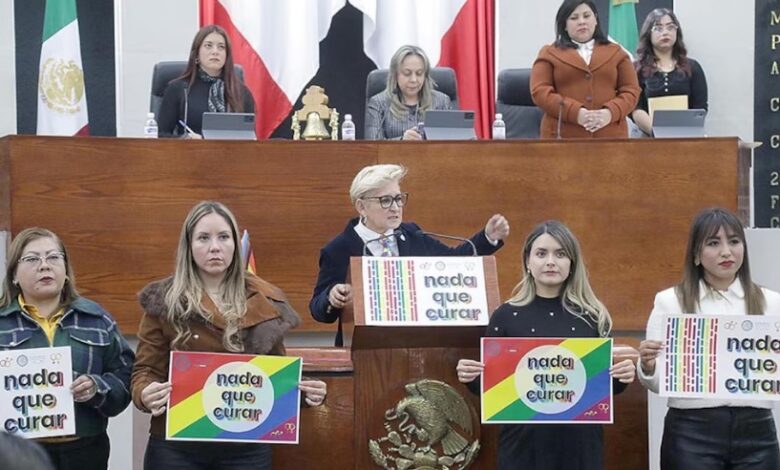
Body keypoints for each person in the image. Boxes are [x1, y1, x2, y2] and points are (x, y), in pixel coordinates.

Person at [131, 201, 327, 470]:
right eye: (203, 238)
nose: (215, 247)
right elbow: (145, 371)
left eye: (223, 237)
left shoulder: (266, 301)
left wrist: (305, 392)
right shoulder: (163, 301)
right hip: (177, 447)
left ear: (236, 244)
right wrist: (145, 393)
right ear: (188, 245)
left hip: (245, 448)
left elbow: (275, 376)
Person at [456, 220, 635, 469]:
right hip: (522, 447)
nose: (551, 261)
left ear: (572, 263)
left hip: (579, 447)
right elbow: (490, 388)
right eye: (541, 253)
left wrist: (622, 376)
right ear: (528, 262)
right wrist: (470, 376)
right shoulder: (505, 316)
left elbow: (604, 387)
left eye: (560, 254)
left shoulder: (592, 317)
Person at [637, 207, 780, 469]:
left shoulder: (772, 303)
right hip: (692, 431)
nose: (726, 252)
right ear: (696, 254)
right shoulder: (670, 301)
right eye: (714, 243)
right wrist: (647, 365)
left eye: (734, 241)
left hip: (757, 431)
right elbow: (658, 383)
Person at [310, 164, 510, 346]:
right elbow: (318, 310)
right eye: (385, 201)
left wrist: (487, 238)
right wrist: (331, 297)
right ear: (362, 207)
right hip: (365, 350)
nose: (395, 207)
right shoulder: (339, 248)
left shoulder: (412, 234)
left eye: (398, 199)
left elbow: (453, 262)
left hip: (417, 345)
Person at [0, 228, 134, 470]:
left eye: (53, 257)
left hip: (85, 450)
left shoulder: (97, 319)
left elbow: (126, 377)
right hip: (17, 455)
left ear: (66, 270)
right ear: (14, 275)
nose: (44, 265)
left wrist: (97, 387)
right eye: (32, 259)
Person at [530, 0, 640, 138]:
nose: (582, 22)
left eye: (587, 16)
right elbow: (539, 91)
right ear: (564, 25)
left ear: (595, 20)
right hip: (562, 136)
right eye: (574, 18)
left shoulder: (617, 52)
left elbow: (631, 91)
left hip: (610, 135)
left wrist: (610, 113)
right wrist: (575, 113)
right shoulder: (549, 53)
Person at [157, 25, 255, 138]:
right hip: (190, 149)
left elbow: (249, 138)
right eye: (208, 46)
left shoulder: (241, 92)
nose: (215, 52)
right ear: (196, 53)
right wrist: (184, 139)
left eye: (221, 47)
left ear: (227, 56)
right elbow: (161, 135)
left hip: (230, 149)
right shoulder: (179, 89)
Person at [631, 8, 708, 136]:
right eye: (658, 28)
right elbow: (635, 108)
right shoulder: (637, 69)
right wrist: (657, 133)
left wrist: (682, 133)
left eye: (670, 27)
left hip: (686, 137)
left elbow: (700, 108)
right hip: (648, 138)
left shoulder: (693, 67)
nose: (665, 32)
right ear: (648, 34)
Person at [365, 45, 453, 140]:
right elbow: (373, 144)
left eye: (419, 73)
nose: (413, 80)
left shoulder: (441, 102)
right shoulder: (378, 103)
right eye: (407, 73)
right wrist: (402, 140)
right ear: (395, 75)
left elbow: (452, 143)